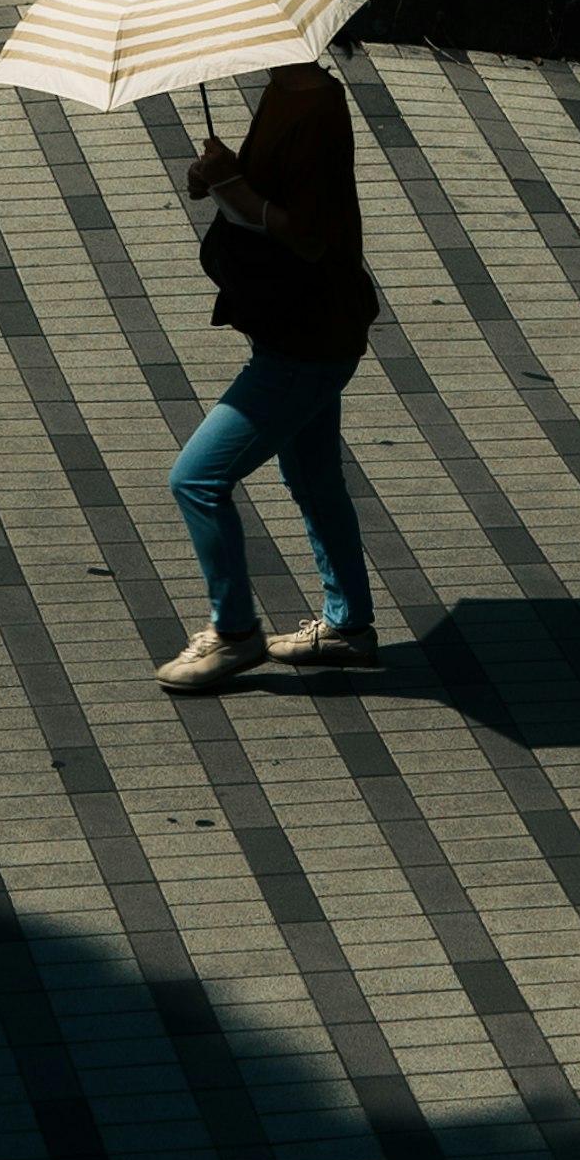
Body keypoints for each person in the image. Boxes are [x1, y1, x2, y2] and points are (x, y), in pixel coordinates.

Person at [159, 59, 383, 692]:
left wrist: (233, 182)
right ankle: (348, 628)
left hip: (304, 342)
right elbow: (272, 199)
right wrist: (223, 178)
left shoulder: (314, 108)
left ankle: (233, 635)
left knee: (197, 479)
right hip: (301, 328)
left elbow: (307, 234)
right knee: (313, 477)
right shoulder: (288, 88)